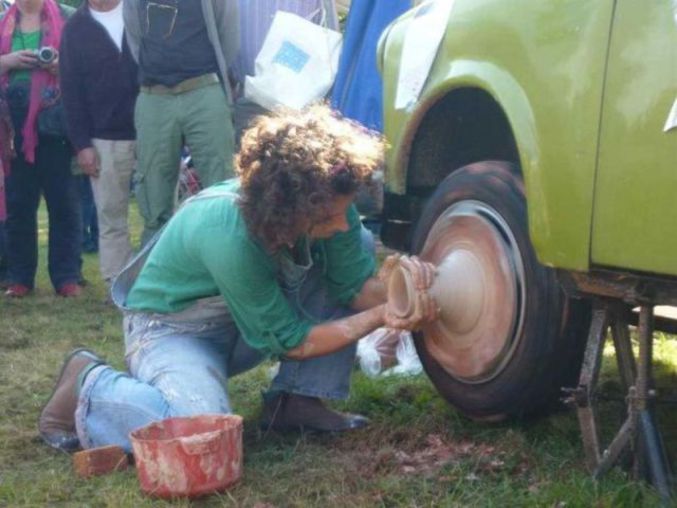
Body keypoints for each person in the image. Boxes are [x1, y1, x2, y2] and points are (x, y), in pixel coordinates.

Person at [38, 105, 437, 453]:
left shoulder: (329, 201)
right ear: (292, 205)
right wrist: (378, 317)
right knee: (204, 429)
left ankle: (297, 402)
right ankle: (90, 383)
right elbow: (293, 340)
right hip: (173, 330)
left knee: (361, 243)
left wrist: (408, 286)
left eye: (342, 212)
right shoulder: (230, 232)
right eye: (327, 217)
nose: (340, 224)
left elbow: (352, 288)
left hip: (245, 319)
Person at [123, 0, 239, 244]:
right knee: (153, 194)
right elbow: (136, 41)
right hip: (153, 95)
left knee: (223, 189)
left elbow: (228, 38)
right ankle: (156, 275)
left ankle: (222, 268)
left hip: (203, 88)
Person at [0, 0, 81, 298]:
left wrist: (61, 66)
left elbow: (83, 64)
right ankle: (20, 278)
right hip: (11, 125)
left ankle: (67, 277)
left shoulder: (68, 17)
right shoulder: (2, 21)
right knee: (19, 205)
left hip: (56, 122)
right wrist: (7, 62)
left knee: (64, 203)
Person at [60, 0, 138, 286]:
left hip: (153, 130)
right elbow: (70, 92)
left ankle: (157, 282)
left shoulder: (139, 12)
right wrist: (82, 144)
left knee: (161, 215)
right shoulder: (75, 28)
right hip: (103, 138)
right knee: (111, 220)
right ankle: (117, 285)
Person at [231, 0, 339, 142]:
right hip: (247, 98)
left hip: (298, 105)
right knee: (247, 159)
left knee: (292, 160)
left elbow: (329, 37)